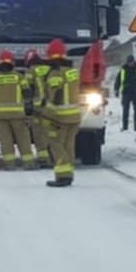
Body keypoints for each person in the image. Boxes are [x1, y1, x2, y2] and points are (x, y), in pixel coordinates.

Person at [40, 39, 84, 187]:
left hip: (60, 117)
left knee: (55, 144)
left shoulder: (55, 74)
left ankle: (63, 175)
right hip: (75, 116)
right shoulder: (73, 72)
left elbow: (55, 96)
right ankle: (68, 174)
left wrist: (46, 115)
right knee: (68, 145)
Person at [0, 51, 34, 168]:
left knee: (5, 139)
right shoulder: (19, 77)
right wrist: (28, 110)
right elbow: (27, 93)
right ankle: (28, 163)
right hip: (18, 114)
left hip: (0, 116)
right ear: (13, 63)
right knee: (23, 138)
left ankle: (9, 163)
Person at [23, 49, 52, 169]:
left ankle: (43, 159)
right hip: (51, 107)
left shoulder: (31, 71)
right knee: (51, 132)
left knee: (39, 133)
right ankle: (55, 156)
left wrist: (27, 104)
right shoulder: (50, 69)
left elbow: (27, 88)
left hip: (38, 107)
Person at [115, 54, 136, 132]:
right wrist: (116, 89)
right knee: (125, 110)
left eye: (131, 62)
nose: (130, 64)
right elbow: (118, 80)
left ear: (133, 61)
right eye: (129, 62)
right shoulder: (123, 69)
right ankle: (125, 127)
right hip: (126, 92)